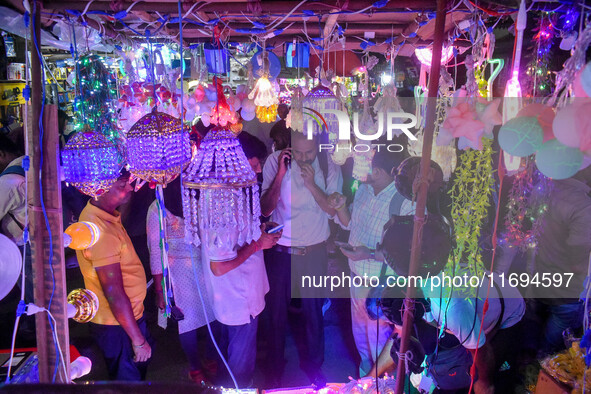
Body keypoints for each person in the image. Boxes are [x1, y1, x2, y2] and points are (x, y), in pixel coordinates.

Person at [260, 130, 342, 387]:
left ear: (318, 147)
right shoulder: (275, 161)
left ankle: (314, 366)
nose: (304, 158)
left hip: (313, 250)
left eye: (309, 152)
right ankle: (274, 366)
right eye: (299, 152)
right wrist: (281, 176)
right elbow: (264, 209)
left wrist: (311, 184)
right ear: (290, 146)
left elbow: (332, 209)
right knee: (274, 315)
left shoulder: (329, 164)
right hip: (281, 251)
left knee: (313, 312)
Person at [202, 131, 280, 388]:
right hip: (238, 300)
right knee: (240, 370)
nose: (258, 172)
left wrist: (258, 231)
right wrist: (258, 244)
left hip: (234, 298)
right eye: (254, 165)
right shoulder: (223, 202)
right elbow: (219, 266)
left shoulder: (231, 192)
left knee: (229, 360)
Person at [327, 149, 410, 377]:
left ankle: (384, 385)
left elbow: (407, 253)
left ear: (379, 171)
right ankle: (366, 381)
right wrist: (341, 206)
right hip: (356, 277)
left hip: (381, 283)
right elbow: (350, 223)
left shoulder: (403, 200)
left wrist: (369, 254)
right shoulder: (363, 189)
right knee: (362, 339)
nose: (358, 170)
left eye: (364, 165)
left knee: (382, 342)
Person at [76, 170, 153, 381]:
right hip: (118, 326)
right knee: (127, 383)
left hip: (125, 320)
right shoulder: (99, 230)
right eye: (122, 185)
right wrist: (137, 340)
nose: (130, 188)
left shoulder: (104, 215)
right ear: (99, 190)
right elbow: (114, 293)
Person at [146, 176, 216, 383]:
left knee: (213, 314)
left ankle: (211, 358)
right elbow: (156, 252)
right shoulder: (158, 207)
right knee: (188, 321)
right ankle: (195, 366)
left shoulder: (196, 199)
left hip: (205, 264)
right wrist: (160, 291)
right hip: (178, 271)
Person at [524, 165, 591, 355]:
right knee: (550, 351)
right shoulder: (583, 206)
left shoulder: (542, 191)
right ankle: (537, 378)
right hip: (566, 293)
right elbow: (578, 263)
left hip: (539, 280)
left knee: (532, 330)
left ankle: (523, 368)